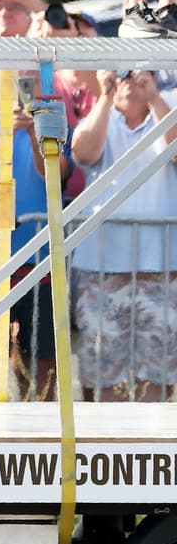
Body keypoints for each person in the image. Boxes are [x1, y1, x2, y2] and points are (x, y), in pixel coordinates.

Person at [71, 68, 177, 400]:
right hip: (101, 271)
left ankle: (150, 445)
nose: (129, 79)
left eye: (138, 72)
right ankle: (102, 441)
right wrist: (104, 96)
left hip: (161, 270)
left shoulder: (166, 109)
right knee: (100, 371)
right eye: (123, 73)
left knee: (158, 371)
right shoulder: (101, 116)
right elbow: (83, 153)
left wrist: (154, 97)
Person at [0, 84, 70, 400]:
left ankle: (41, 422)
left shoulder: (52, 130)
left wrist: (34, 134)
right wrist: (5, 134)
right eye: (12, 95)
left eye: (25, 95)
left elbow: (56, 174)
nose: (19, 103)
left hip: (39, 260)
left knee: (39, 354)